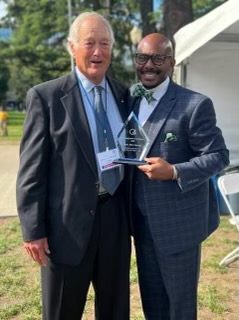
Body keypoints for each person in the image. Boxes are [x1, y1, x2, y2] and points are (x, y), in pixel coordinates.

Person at [16, 12, 131, 320]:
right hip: (65, 228)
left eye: (104, 43)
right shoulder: (46, 97)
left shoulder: (124, 95)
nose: (98, 52)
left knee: (115, 309)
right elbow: (31, 171)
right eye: (89, 43)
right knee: (61, 312)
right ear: (71, 47)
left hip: (115, 219)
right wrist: (33, 230)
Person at [128, 33, 230, 320]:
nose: (149, 65)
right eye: (142, 58)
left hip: (178, 226)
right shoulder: (129, 101)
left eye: (158, 58)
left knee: (180, 308)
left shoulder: (194, 105)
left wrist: (173, 171)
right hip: (140, 223)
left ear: (171, 63)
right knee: (153, 303)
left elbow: (219, 156)